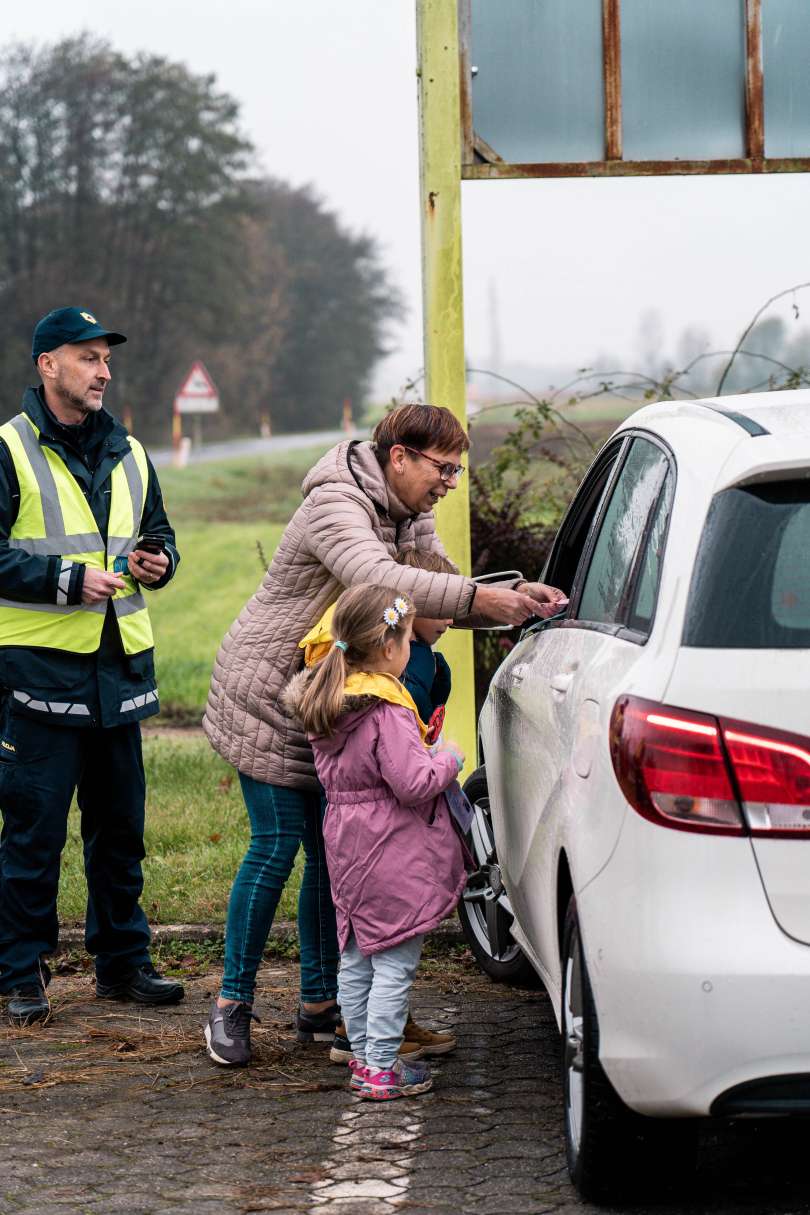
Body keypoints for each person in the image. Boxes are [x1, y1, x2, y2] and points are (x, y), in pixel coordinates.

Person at [202, 403, 565, 1067]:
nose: (451, 481)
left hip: (340, 694)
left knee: (331, 856)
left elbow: (432, 582)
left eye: (458, 470)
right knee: (279, 843)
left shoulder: (407, 507)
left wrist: (511, 596)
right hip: (271, 693)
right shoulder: (334, 503)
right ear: (399, 456)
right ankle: (231, 1003)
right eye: (443, 467)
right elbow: (383, 579)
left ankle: (322, 1005)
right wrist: (482, 601)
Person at [0, 306, 183, 1025]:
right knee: (33, 833)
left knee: (121, 833)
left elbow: (161, 536)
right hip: (39, 678)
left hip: (120, 677)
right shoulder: (9, 450)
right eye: (88, 357)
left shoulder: (132, 452)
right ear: (48, 365)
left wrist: (159, 561)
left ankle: (123, 964)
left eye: (106, 359)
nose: (104, 370)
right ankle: (19, 972)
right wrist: (67, 582)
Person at [285, 584, 467, 1100]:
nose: (411, 649)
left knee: (358, 955)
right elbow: (412, 784)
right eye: (408, 637)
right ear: (389, 647)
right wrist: (448, 757)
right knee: (394, 961)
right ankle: (383, 1068)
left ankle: (364, 1059)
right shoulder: (386, 708)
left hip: (347, 843)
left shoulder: (329, 702)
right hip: (391, 846)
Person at [396, 549, 455, 732]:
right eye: (441, 607)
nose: (450, 621)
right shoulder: (397, 661)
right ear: (410, 602)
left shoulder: (424, 658)